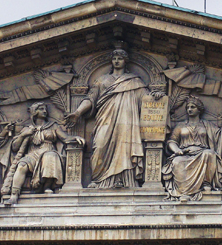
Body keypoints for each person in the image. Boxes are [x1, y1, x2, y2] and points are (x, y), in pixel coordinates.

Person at [64, 49, 161, 189]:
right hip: (105, 119)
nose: (116, 61)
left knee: (126, 148)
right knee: (100, 145)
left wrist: (156, 96)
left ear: (125, 61)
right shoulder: (102, 80)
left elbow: (147, 101)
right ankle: (98, 180)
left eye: (120, 58)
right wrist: (78, 113)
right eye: (114, 58)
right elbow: (90, 99)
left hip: (128, 123)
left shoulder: (134, 81)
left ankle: (127, 180)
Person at [3, 102, 84, 204]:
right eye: (41, 109)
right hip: (32, 154)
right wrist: (23, 135)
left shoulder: (52, 126)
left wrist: (75, 137)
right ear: (34, 112)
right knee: (21, 166)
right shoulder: (27, 128)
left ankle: (47, 186)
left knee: (50, 156)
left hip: (48, 150)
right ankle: (14, 195)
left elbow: (65, 138)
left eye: (45, 109)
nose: (45, 111)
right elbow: (15, 147)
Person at [162, 95, 222, 201]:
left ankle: (206, 184)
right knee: (176, 161)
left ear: (199, 110)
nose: (189, 109)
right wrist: (177, 150)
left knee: (209, 154)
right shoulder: (181, 126)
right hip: (185, 154)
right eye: (188, 107)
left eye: (192, 107)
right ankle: (183, 192)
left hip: (202, 154)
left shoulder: (207, 125)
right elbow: (172, 141)